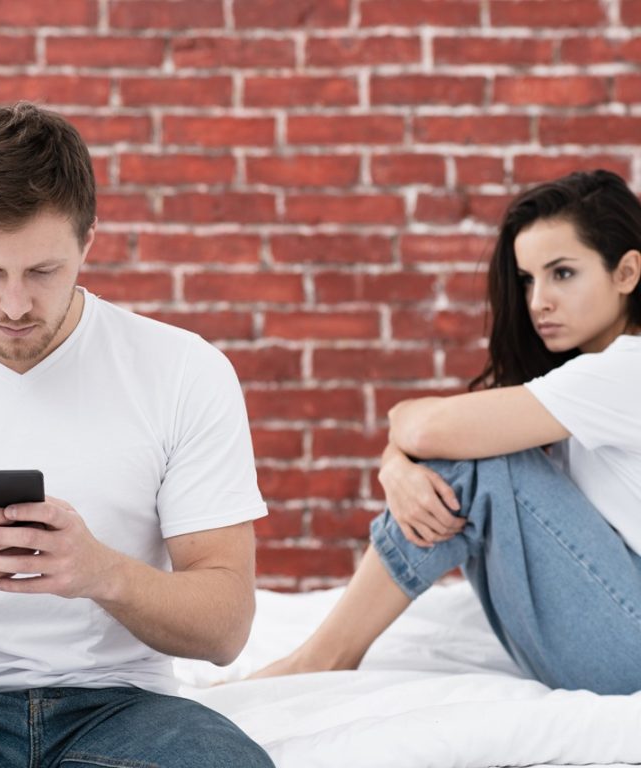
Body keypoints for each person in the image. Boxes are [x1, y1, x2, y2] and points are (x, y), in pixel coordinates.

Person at [0, 102, 274, 767]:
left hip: (123, 707)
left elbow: (226, 628)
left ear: (88, 240)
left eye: (42, 271)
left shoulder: (182, 371)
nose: (15, 305)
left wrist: (101, 572)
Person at [251, 169, 641, 696]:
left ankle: (323, 658)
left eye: (563, 274)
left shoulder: (626, 370)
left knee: (487, 461)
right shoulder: (585, 377)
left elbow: (434, 430)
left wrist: (400, 454)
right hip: (617, 627)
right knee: (479, 452)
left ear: (627, 273)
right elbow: (440, 433)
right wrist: (396, 465)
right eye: (528, 279)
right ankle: (324, 657)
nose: (538, 301)